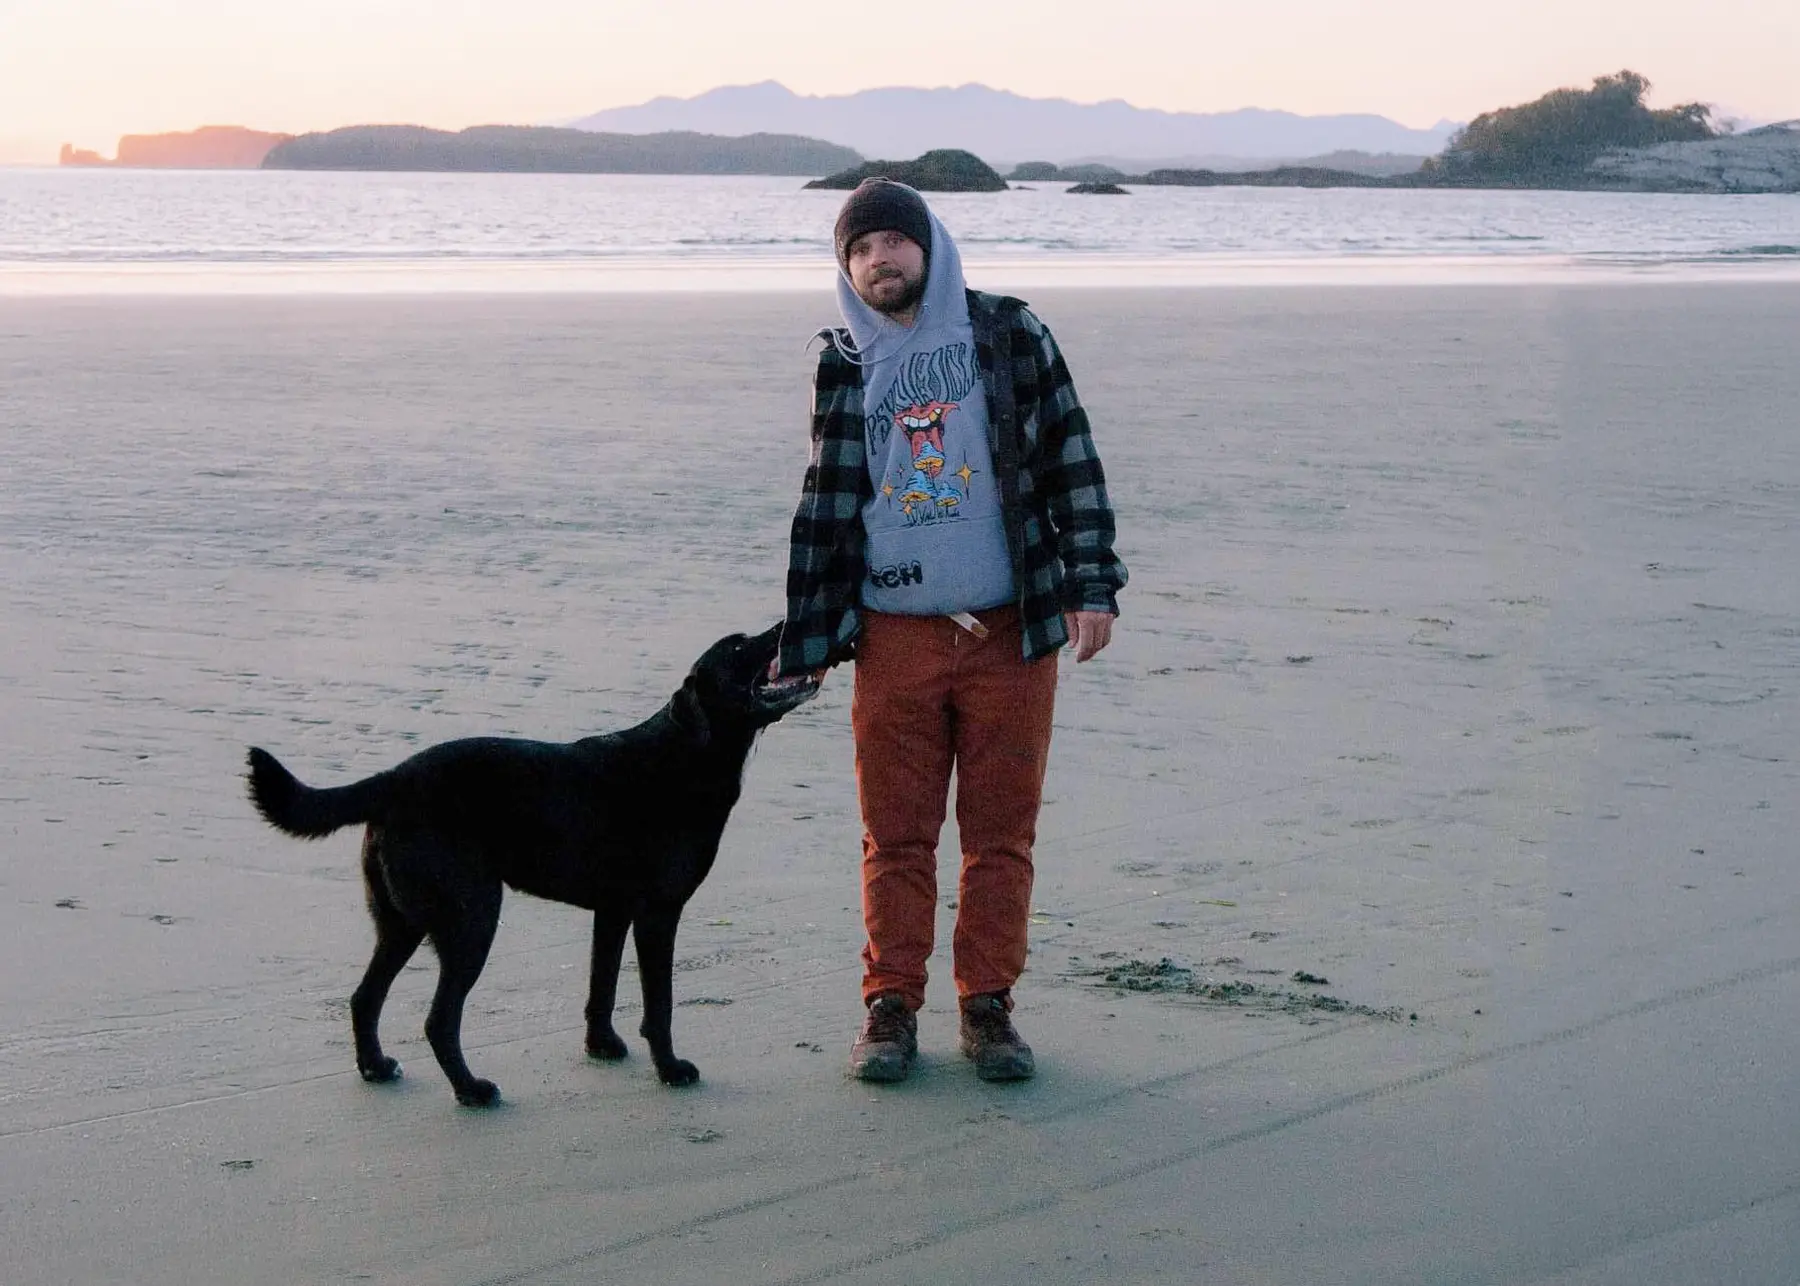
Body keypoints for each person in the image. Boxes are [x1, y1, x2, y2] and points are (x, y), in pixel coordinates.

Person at [775, 179, 1127, 1083]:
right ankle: (890, 1008)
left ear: (929, 247)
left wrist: (1094, 585)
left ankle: (987, 1008)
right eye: (859, 249)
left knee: (999, 835)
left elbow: (1069, 458)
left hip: (1010, 629)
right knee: (894, 835)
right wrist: (809, 640)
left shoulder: (1007, 334)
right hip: (896, 635)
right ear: (844, 266)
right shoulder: (845, 359)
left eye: (893, 240)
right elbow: (829, 502)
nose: (877, 259)